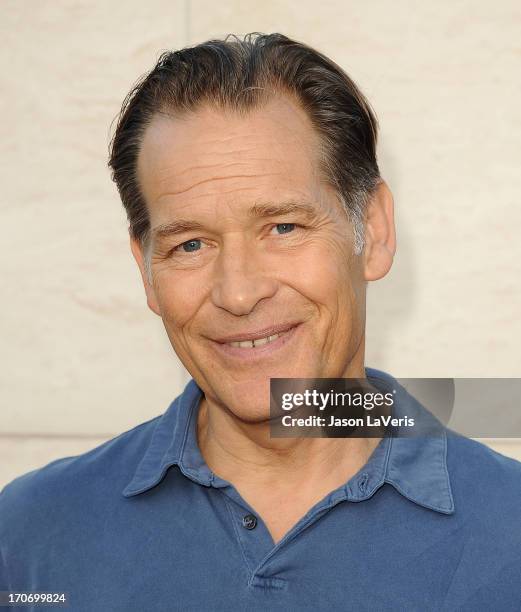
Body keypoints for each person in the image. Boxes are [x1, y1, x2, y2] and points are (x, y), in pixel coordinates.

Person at [1, 33, 520, 612]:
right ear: (145, 270)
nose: (239, 293)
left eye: (283, 228)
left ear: (371, 230)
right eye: (191, 244)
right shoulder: (29, 536)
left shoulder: (511, 534)